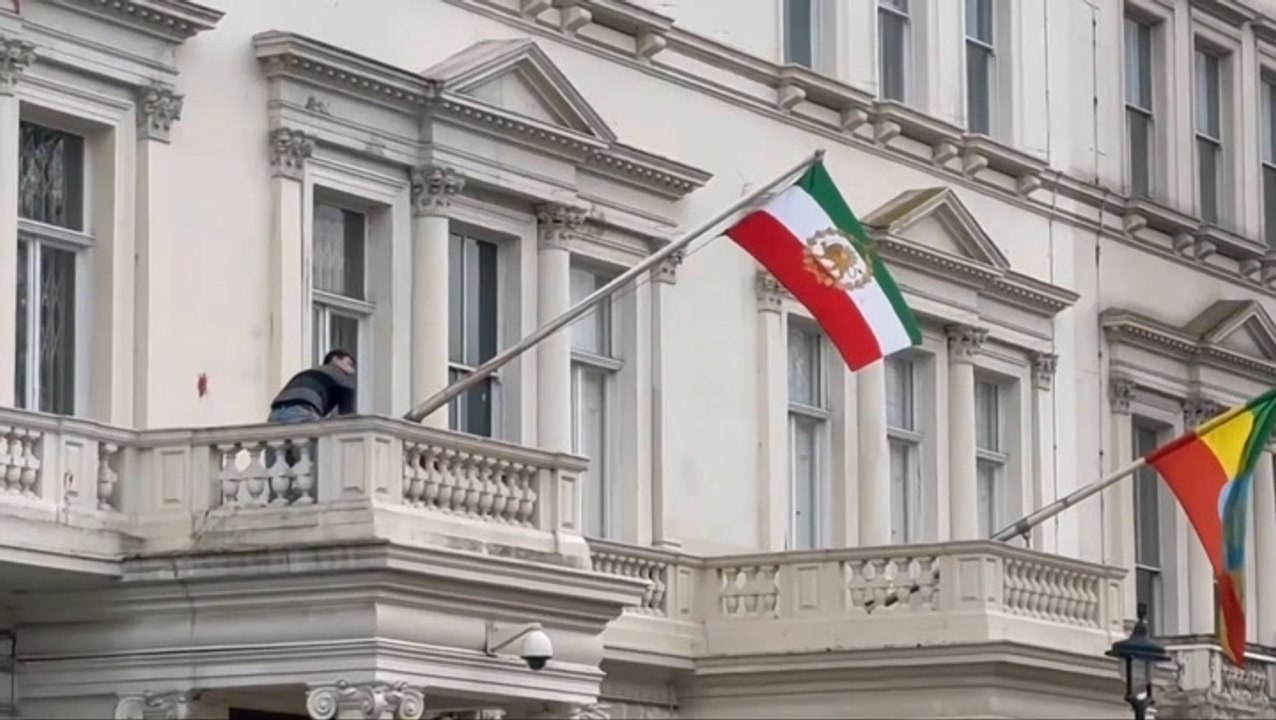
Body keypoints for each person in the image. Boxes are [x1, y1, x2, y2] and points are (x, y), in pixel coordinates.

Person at [268, 349, 358, 424]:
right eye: (349, 363)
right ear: (334, 359)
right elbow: (347, 417)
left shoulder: (309, 372)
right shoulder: (340, 375)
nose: (352, 370)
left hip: (276, 412)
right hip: (302, 411)